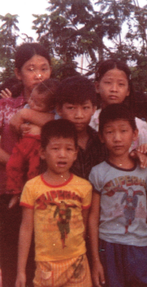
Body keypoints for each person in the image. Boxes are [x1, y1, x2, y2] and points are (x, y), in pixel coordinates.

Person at [88, 104, 147, 287]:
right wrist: (96, 261)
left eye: (123, 131)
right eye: (110, 132)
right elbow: (93, 218)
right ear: (101, 137)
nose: (117, 138)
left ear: (135, 134)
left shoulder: (145, 170)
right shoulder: (98, 173)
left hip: (140, 246)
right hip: (109, 245)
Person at [15, 119, 93, 287]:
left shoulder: (84, 187)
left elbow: (84, 226)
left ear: (75, 153)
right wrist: (21, 270)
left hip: (77, 262)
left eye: (68, 149)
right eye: (56, 149)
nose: (62, 154)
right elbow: (26, 228)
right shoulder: (32, 187)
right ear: (43, 152)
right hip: (46, 264)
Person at [0, 43, 52, 287]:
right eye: (31, 69)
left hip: (47, 193)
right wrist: (14, 163)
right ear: (18, 73)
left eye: (44, 68)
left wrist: (28, 116)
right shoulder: (6, 106)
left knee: (42, 260)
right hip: (9, 190)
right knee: (11, 258)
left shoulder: (57, 106)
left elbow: (66, 123)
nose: (39, 75)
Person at [6, 79, 59, 208]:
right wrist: (23, 126)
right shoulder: (28, 107)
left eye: (36, 103)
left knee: (34, 171)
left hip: (38, 148)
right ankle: (15, 192)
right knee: (13, 166)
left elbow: (57, 123)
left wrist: (41, 129)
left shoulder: (54, 113)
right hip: (23, 145)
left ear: (51, 107)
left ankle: (32, 196)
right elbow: (18, 124)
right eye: (31, 98)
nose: (30, 103)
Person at [90, 59, 147, 152]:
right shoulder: (89, 122)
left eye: (121, 84)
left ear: (128, 90)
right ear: (97, 87)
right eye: (108, 82)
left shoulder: (140, 127)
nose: (114, 89)